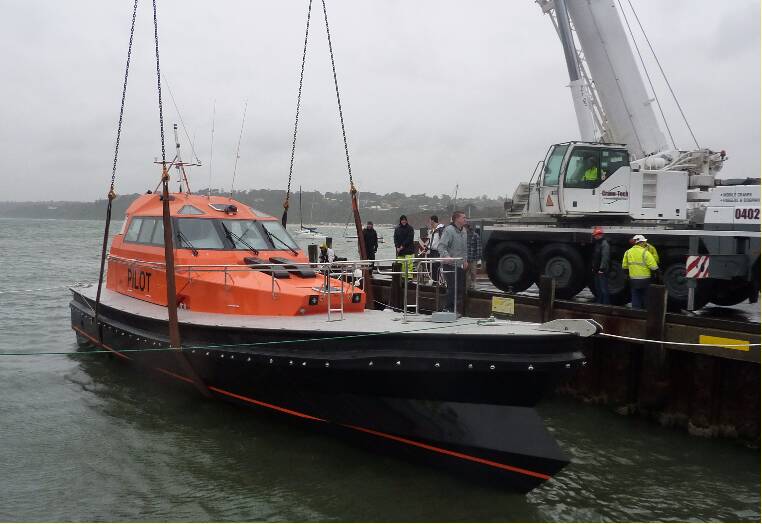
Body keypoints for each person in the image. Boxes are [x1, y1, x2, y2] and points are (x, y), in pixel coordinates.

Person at [438, 211, 468, 313]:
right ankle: (447, 308)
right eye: (463, 217)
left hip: (460, 264)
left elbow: (464, 249)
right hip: (450, 264)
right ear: (457, 219)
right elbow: (441, 246)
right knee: (452, 287)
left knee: (460, 288)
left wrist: (465, 260)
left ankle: (456, 308)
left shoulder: (464, 231)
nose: (465, 219)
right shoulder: (448, 230)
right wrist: (446, 256)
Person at [622, 234, 659, 309]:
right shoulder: (646, 253)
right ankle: (646, 315)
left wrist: (628, 275)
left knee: (635, 298)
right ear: (641, 242)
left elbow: (624, 266)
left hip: (633, 280)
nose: (645, 243)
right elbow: (654, 267)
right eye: (644, 242)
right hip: (645, 280)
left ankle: (636, 314)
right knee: (646, 298)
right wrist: (657, 274)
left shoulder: (628, 252)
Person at [591, 227, 610, 304]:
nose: (594, 237)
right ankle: (599, 303)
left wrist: (602, 269)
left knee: (603, 289)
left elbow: (605, 257)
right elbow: (596, 257)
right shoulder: (598, 244)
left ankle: (605, 305)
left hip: (601, 270)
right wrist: (594, 267)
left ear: (599, 235)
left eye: (595, 235)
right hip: (597, 270)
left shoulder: (604, 244)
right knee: (598, 288)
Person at [393, 215, 415, 279]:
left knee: (408, 264)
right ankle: (403, 277)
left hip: (408, 249)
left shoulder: (410, 228)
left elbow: (410, 238)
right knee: (401, 264)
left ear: (407, 221)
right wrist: (397, 246)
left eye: (405, 220)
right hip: (400, 250)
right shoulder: (397, 229)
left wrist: (403, 245)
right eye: (402, 220)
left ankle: (409, 277)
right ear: (400, 221)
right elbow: (395, 238)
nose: (404, 221)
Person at [427, 215, 445, 282]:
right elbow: (432, 241)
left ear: (432, 221)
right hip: (432, 251)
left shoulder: (441, 229)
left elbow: (443, 241)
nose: (429, 223)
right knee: (433, 267)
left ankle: (440, 281)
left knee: (438, 267)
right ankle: (435, 281)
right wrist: (428, 247)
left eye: (430, 221)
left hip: (438, 251)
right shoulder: (432, 230)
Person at [465, 223, 482, 289]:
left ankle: (473, 284)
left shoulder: (475, 236)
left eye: (465, 228)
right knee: (466, 273)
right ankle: (467, 285)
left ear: (468, 228)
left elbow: (479, 247)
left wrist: (478, 257)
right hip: (465, 258)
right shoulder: (463, 235)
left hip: (473, 258)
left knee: (473, 272)